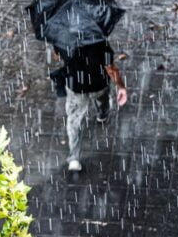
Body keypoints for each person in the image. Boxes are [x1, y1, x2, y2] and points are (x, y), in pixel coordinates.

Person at [51, 41, 127, 172]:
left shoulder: (62, 38)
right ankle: (102, 115)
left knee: (74, 120)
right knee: (102, 99)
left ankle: (74, 158)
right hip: (99, 83)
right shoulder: (98, 41)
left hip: (76, 86)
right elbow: (110, 68)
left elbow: (57, 57)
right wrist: (121, 86)